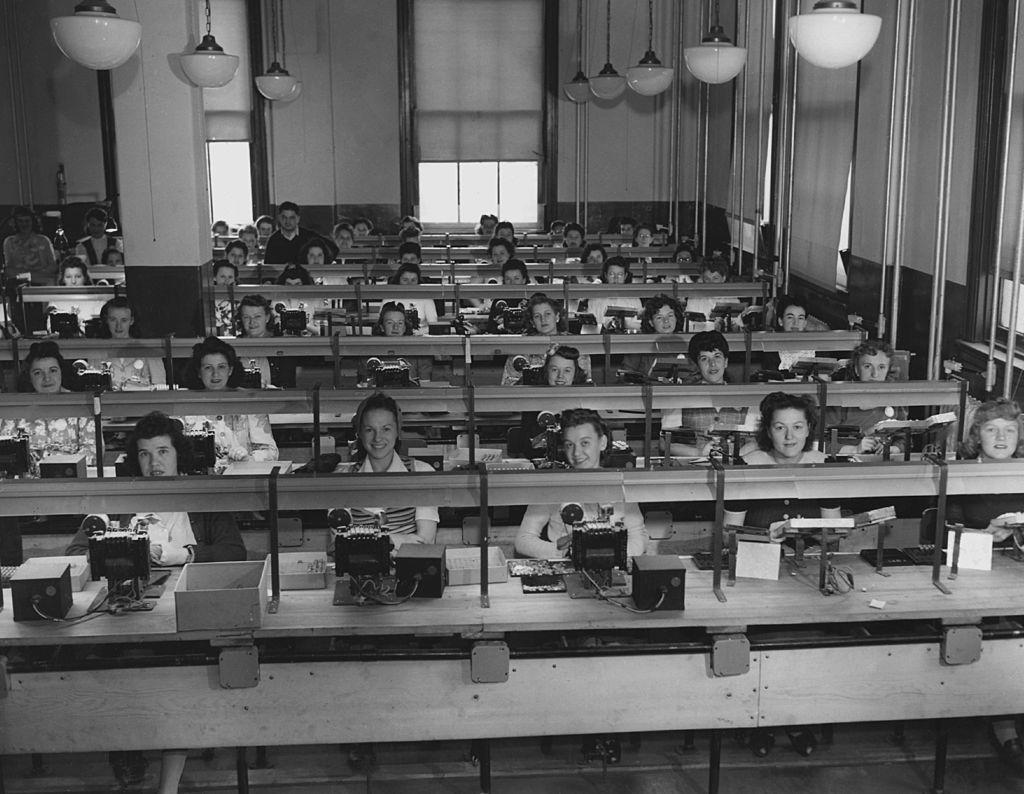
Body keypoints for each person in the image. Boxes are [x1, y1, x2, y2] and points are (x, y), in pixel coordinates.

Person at [64, 410, 245, 792]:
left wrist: (185, 555)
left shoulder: (201, 496)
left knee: (174, 676)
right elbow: (78, 547)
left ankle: (168, 779)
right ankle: (129, 748)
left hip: (187, 605)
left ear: (180, 454)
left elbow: (233, 551)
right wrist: (115, 549)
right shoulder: (120, 497)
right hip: (129, 608)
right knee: (117, 663)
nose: (154, 462)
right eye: (145, 454)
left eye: (163, 451)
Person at [725, 392, 839, 759]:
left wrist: (812, 532)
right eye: (780, 427)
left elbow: (834, 532)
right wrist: (762, 535)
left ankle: (796, 717)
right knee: (758, 639)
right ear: (767, 432)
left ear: (809, 430)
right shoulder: (748, 464)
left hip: (804, 570)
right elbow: (728, 535)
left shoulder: (824, 465)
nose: (789, 437)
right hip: (755, 567)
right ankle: (756, 721)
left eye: (797, 427)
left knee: (804, 641)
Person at [515, 408, 646, 559]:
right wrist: (563, 551)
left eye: (585, 443)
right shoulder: (551, 486)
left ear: (602, 442)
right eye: (570, 445)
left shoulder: (619, 484)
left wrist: (610, 554)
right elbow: (523, 540)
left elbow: (639, 535)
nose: (576, 453)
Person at [335, 392, 438, 550]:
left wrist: (366, 540)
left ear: (398, 431)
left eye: (386, 429)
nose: (378, 438)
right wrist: (400, 540)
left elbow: (425, 542)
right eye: (370, 430)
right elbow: (341, 546)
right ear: (360, 434)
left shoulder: (422, 473)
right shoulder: (341, 480)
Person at [180, 337, 278, 470]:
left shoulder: (249, 402)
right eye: (208, 368)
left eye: (221, 367)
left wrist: (248, 458)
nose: (215, 374)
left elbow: (271, 452)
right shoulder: (184, 402)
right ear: (198, 371)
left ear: (230, 370)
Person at [660, 332, 758, 457]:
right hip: (694, 469)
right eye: (704, 359)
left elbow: (756, 441)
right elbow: (665, 443)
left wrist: (734, 455)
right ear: (697, 365)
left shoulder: (745, 399)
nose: (712, 364)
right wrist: (699, 452)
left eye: (717, 356)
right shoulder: (681, 398)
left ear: (726, 362)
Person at [1, 340, 96, 465]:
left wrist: (58, 466)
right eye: (38, 373)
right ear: (29, 377)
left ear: (61, 371)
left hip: (71, 477)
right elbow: (6, 452)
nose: (47, 378)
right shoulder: (15, 409)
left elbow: (93, 451)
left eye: (53, 370)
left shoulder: (80, 405)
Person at [824, 340, 906, 455]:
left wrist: (894, 449)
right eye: (867, 366)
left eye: (881, 367)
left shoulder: (894, 402)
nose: (875, 374)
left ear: (888, 370)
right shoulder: (840, 404)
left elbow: (904, 437)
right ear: (857, 370)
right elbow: (818, 443)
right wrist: (854, 450)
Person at [500, 293, 592, 384]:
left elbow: (585, 381)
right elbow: (508, 384)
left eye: (547, 314)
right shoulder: (522, 346)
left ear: (557, 316)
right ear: (532, 322)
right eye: (537, 316)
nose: (543, 320)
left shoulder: (575, 344)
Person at [97, 297, 167, 390]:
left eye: (124, 320)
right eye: (113, 320)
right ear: (106, 320)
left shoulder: (149, 351)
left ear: (132, 321)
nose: (119, 326)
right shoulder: (96, 351)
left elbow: (160, 388)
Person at [236, 294, 298, 388]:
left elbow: (287, 386)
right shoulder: (234, 345)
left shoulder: (281, 345)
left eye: (257, 317)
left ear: (267, 317)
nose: (252, 322)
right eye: (246, 317)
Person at [363, 301, 432, 382]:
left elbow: (424, 387)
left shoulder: (420, 353)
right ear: (382, 327)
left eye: (400, 323)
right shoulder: (368, 352)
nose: (395, 327)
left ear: (405, 327)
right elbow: (364, 388)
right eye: (390, 323)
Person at [621, 294, 687, 379]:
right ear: (651, 322)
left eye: (670, 316)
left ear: (676, 318)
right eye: (659, 317)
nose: (666, 321)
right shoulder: (638, 346)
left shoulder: (686, 342)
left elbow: (695, 376)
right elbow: (625, 377)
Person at [759, 294, 818, 374]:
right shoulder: (771, 353)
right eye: (790, 317)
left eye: (800, 318)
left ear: (805, 323)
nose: (795, 323)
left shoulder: (817, 350)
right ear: (780, 321)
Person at [582, 256, 643, 332]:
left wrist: (625, 324)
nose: (616, 278)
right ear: (605, 275)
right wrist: (605, 326)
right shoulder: (595, 299)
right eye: (612, 274)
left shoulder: (634, 299)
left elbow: (642, 326)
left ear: (625, 276)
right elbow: (589, 328)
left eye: (620, 275)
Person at [3, 206, 57, 284]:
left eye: (27, 221)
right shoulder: (9, 242)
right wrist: (27, 275)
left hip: (42, 280)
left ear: (33, 222)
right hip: (19, 281)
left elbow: (53, 266)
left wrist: (35, 275)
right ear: (15, 222)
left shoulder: (44, 240)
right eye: (20, 221)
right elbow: (8, 270)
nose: (24, 224)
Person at [48, 256, 104, 324]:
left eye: (78, 276)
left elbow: (99, 326)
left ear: (85, 278)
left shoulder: (97, 300)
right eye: (68, 277)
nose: (73, 281)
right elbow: (51, 327)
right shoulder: (55, 302)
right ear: (63, 279)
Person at [388, 261, 439, 332]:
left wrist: (418, 333)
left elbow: (434, 326)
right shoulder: (389, 297)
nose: (409, 284)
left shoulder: (426, 298)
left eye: (413, 280)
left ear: (418, 281)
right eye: (405, 280)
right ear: (398, 280)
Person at [212, 260, 239, 335]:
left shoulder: (239, 299)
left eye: (230, 277)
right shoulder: (208, 298)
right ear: (214, 277)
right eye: (222, 276)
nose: (226, 281)